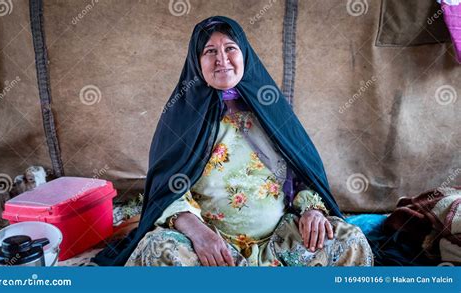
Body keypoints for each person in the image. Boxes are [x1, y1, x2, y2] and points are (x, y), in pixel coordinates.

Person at [93, 16, 373, 267]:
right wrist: (198, 233)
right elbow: (165, 189)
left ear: (245, 55)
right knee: (158, 250)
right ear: (196, 61)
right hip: (213, 249)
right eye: (210, 51)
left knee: (349, 241)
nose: (221, 59)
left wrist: (312, 209)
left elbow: (304, 171)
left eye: (230, 48)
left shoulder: (270, 108)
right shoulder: (181, 118)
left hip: (280, 238)